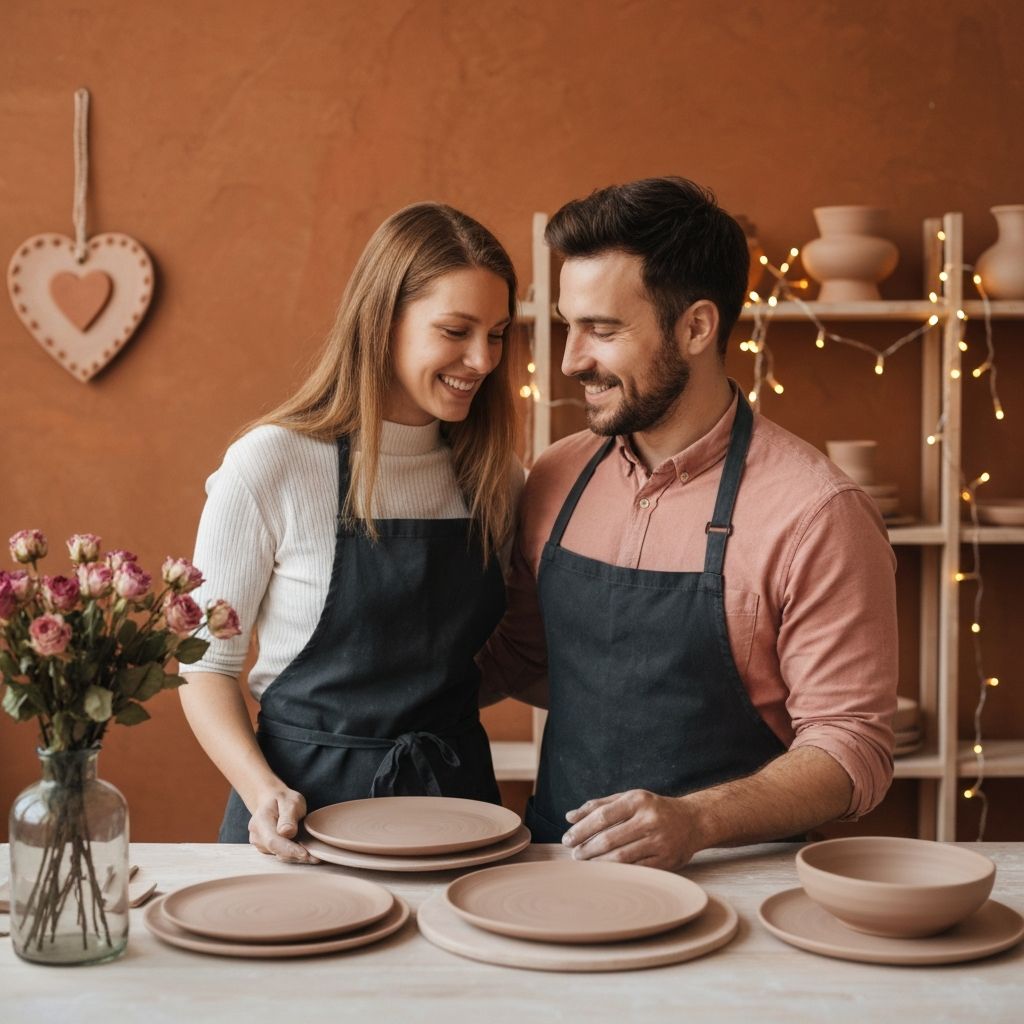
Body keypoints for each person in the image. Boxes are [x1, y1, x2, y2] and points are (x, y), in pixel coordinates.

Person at [480, 177, 898, 869]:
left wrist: (695, 820)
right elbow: (525, 656)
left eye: (603, 330)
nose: (570, 359)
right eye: (568, 323)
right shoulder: (554, 478)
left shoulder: (818, 514)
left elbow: (851, 747)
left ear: (697, 327)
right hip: (561, 867)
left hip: (736, 882)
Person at [181, 203, 522, 862]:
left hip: (460, 817)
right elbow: (203, 667)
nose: (482, 360)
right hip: (302, 820)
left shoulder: (496, 476)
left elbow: (498, 653)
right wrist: (263, 793)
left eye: (499, 333)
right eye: (456, 330)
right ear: (383, 321)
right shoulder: (273, 462)